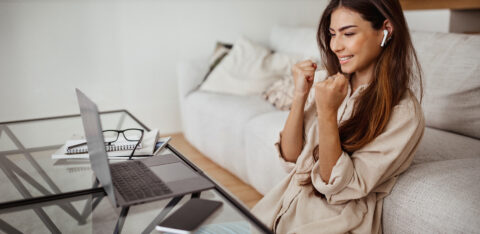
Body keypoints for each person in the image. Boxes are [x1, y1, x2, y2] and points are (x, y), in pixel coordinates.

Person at [251, 0, 425, 233]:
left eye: (348, 33)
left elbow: (333, 184)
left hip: (331, 222)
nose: (335, 45)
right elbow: (290, 157)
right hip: (279, 208)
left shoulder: (403, 113)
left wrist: (327, 113)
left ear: (386, 30)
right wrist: (300, 94)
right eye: (333, 34)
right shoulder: (328, 83)